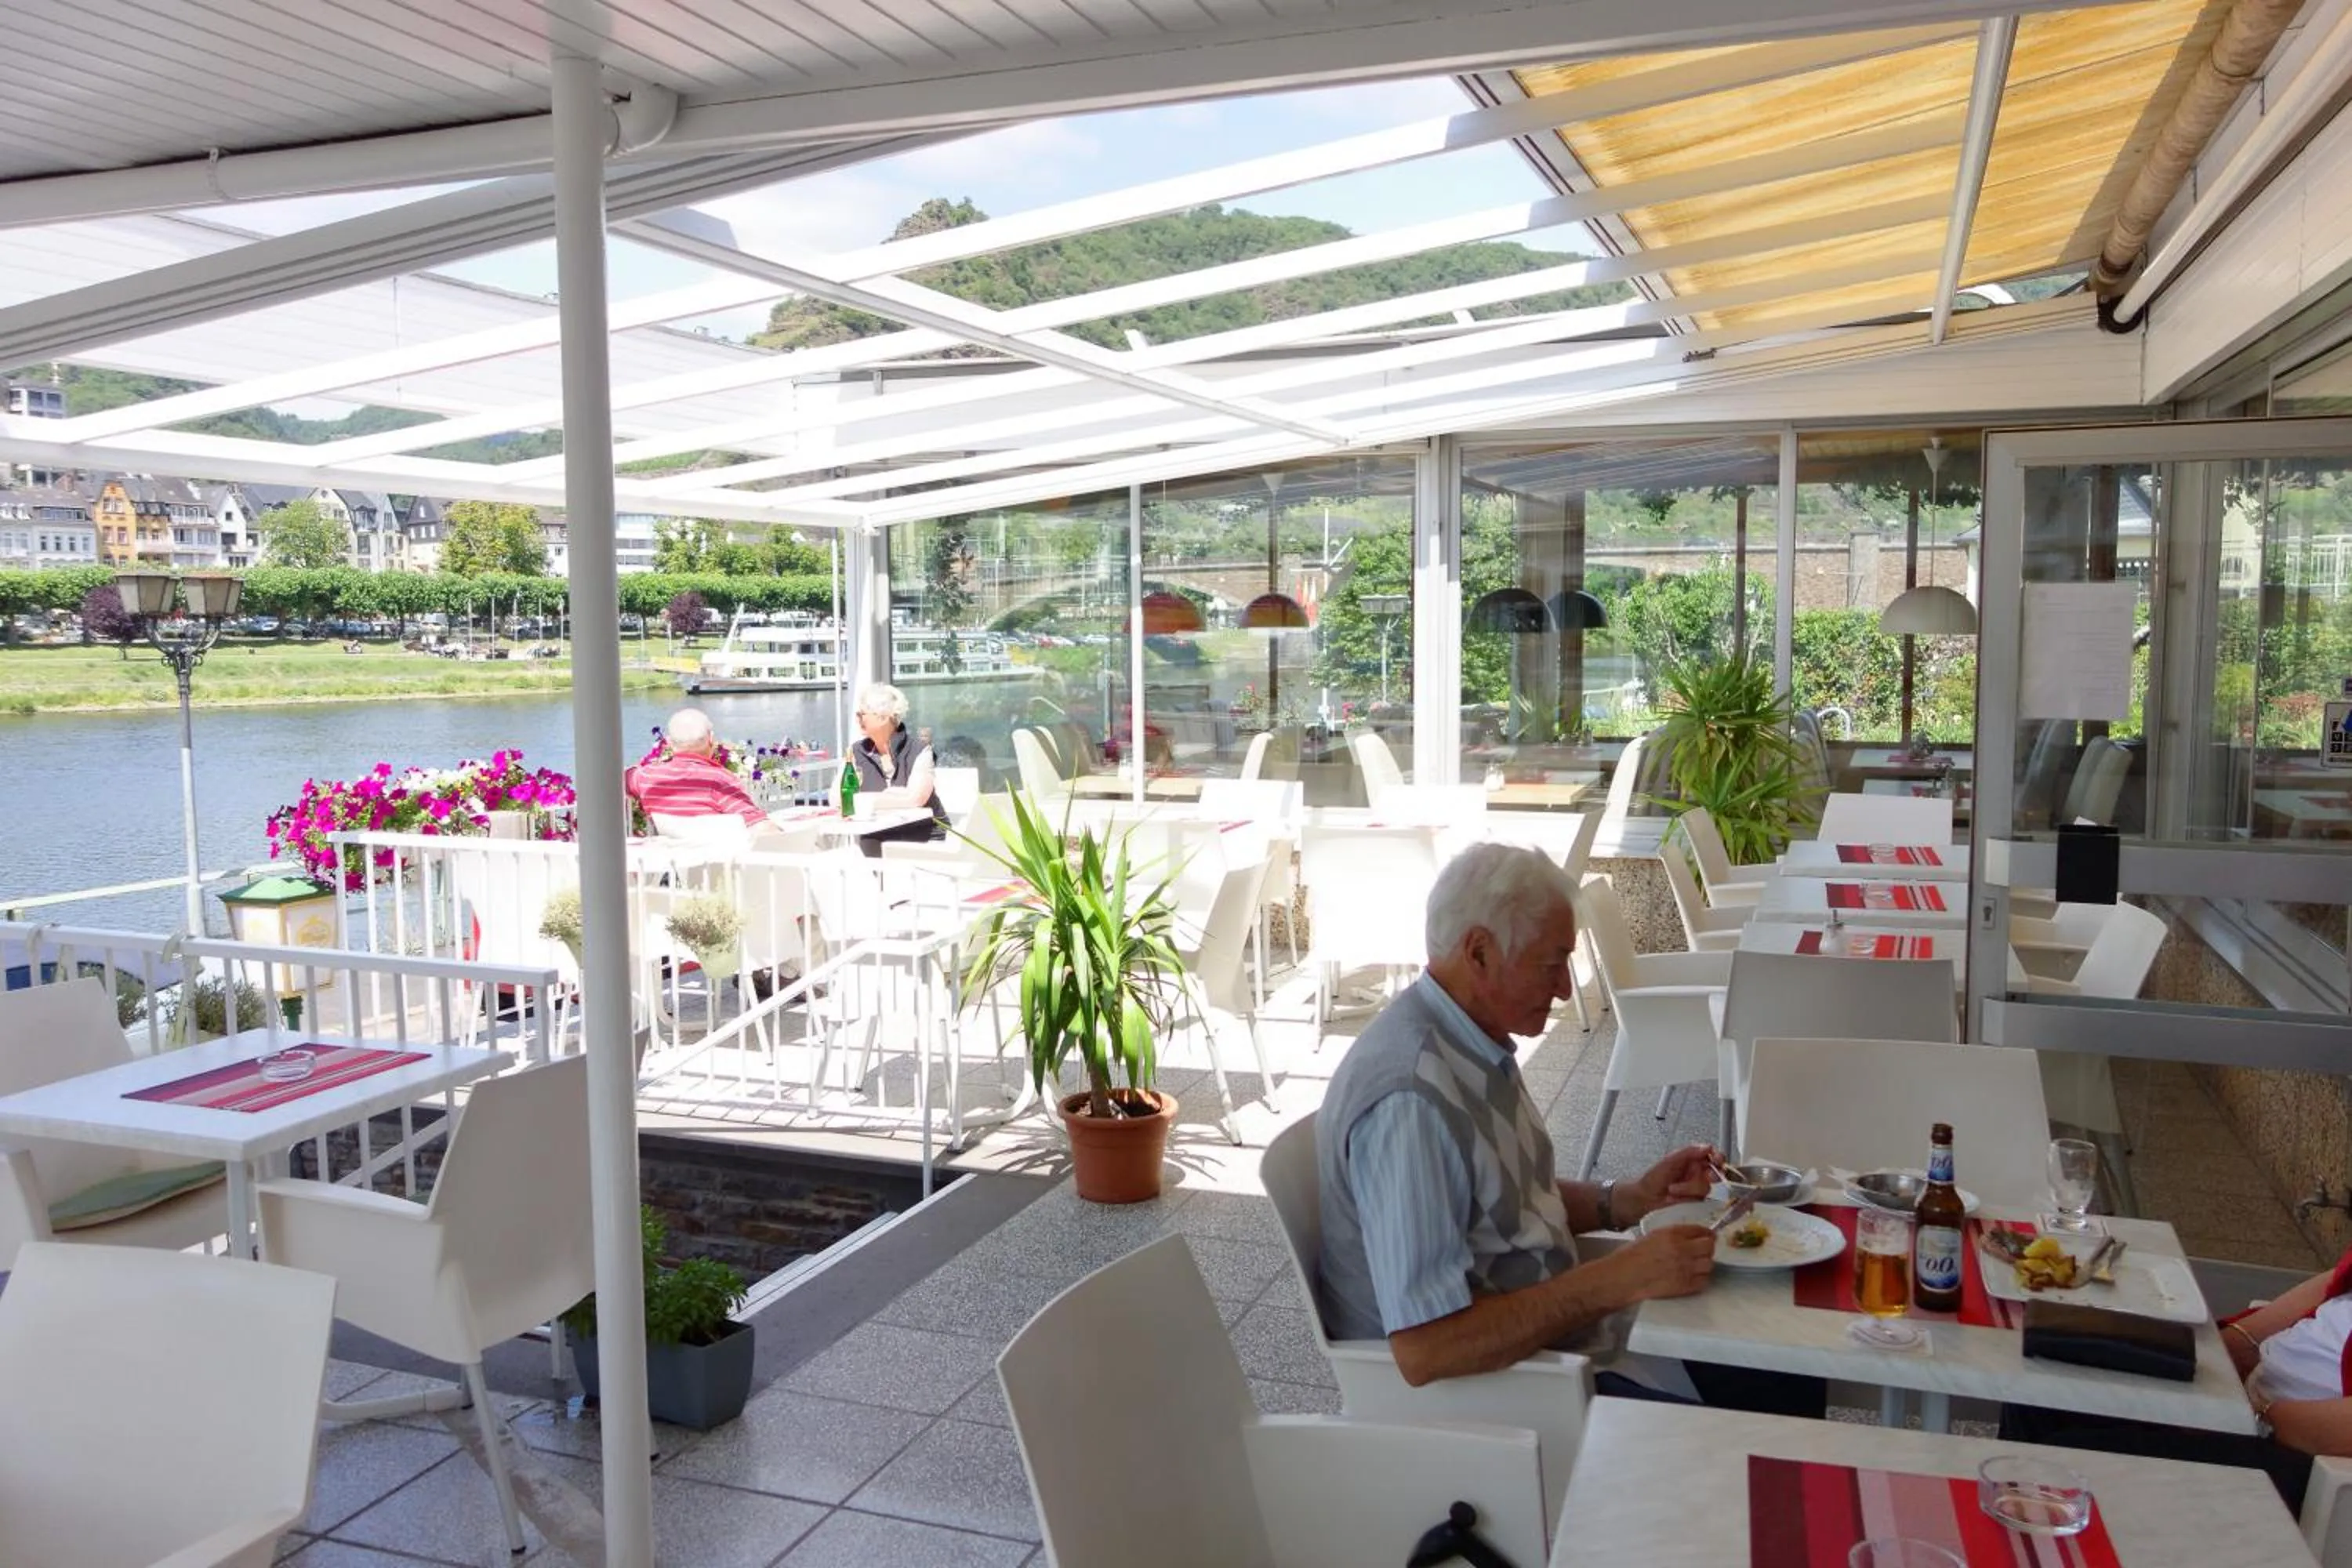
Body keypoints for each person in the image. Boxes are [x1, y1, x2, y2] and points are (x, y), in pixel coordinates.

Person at [1316, 840, 1822, 1414]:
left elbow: (1497, 1201)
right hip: (1506, 1394)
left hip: (1559, 1342)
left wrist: (1627, 1199)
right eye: (1550, 964)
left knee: (1788, 1356)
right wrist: (1614, 1281)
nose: (1563, 988)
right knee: (1771, 1403)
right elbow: (1427, 1349)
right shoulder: (1411, 1101)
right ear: (1478, 952)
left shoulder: (1467, 1039)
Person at [2001, 1247, 2352, 1512]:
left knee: (2075, 1457)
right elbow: (2336, 1279)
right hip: (2247, 1397)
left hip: (2305, 1459)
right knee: (2043, 1394)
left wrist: (2244, 1416)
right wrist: (2231, 1348)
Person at [840, 682, 949, 855]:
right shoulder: (856, 752)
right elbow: (838, 797)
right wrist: (894, 795)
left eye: (862, 714)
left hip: (924, 835)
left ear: (884, 718)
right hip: (878, 833)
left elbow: (916, 799)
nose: (858, 719)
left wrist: (867, 801)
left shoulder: (920, 750)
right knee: (866, 845)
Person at [624, 707, 768, 831]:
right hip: (715, 853)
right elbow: (757, 824)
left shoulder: (646, 776)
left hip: (670, 852)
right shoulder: (720, 781)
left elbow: (617, 778)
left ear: (668, 743)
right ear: (711, 739)